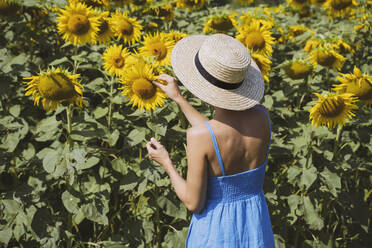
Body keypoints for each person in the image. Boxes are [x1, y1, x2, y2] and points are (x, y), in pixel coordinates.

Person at [146, 33, 275, 247]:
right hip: (255, 226)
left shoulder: (199, 137)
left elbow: (193, 203)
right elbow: (220, 132)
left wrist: (166, 162)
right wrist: (178, 98)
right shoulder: (263, 116)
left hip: (217, 231)